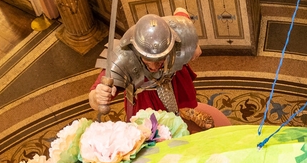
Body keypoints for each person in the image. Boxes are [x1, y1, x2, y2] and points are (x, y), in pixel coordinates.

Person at [89, 10, 229, 131]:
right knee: (153, 134)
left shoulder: (174, 35)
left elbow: (182, 16)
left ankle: (185, 112)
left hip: (174, 85)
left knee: (181, 118)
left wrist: (193, 45)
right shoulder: (123, 56)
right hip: (146, 99)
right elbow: (94, 100)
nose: (155, 67)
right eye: (148, 60)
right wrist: (99, 96)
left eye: (160, 60)